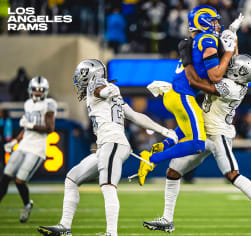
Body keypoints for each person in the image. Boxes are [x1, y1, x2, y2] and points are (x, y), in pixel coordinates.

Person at [37, 59, 178, 236]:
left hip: (113, 143)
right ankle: (65, 226)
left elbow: (102, 90)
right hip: (107, 145)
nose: (79, 80)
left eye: (81, 75)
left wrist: (109, 88)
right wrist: (164, 130)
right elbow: (135, 116)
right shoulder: (109, 94)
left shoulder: (98, 85)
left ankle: (111, 233)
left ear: (91, 74)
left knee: (108, 185)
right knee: (72, 178)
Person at [143, 53, 251, 233]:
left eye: (231, 66)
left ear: (238, 73)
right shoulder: (234, 81)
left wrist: (187, 69)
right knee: (173, 171)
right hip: (205, 131)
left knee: (232, 174)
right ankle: (167, 219)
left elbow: (199, 84)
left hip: (218, 134)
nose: (226, 67)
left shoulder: (232, 86)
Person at [136, 5, 237, 186]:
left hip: (175, 95)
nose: (217, 25)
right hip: (183, 95)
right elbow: (215, 75)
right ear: (203, 21)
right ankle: (151, 159)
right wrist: (228, 52)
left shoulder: (197, 39)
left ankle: (164, 145)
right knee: (198, 144)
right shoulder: (206, 39)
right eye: (214, 21)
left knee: (190, 128)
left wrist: (231, 43)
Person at [0, 76, 56, 223]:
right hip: (24, 145)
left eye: (41, 90)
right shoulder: (27, 104)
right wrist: (15, 141)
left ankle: (27, 204)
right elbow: (26, 127)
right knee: (5, 176)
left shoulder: (49, 104)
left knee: (19, 180)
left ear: (45, 91)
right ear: (30, 90)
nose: (37, 92)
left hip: (37, 149)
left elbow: (50, 128)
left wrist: (31, 126)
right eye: (35, 89)